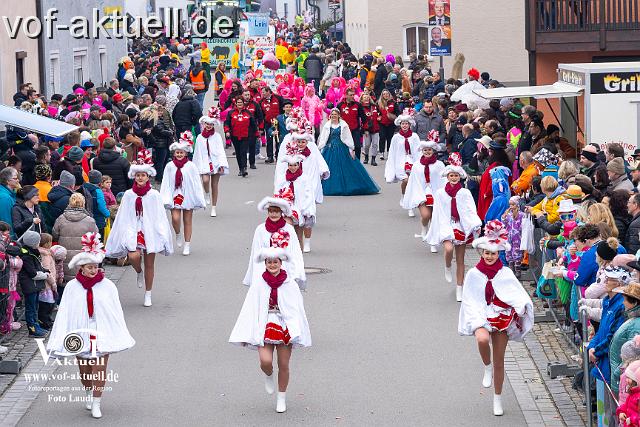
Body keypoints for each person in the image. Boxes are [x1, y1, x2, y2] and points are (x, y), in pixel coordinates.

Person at [47, 232, 135, 419]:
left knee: (99, 368)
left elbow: (115, 311)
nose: (94, 270)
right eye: (90, 267)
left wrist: (116, 331)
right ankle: (88, 392)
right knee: (85, 370)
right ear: (81, 268)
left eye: (96, 267)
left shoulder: (108, 286)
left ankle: (97, 402)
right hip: (81, 333)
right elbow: (66, 313)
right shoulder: (72, 287)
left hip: (101, 333)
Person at [459, 220, 534, 416]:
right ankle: (486, 366)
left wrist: (521, 307)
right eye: (487, 253)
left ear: (499, 253)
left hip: (501, 316)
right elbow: (470, 299)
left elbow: (517, 293)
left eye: (493, 253)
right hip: (481, 314)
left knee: (500, 360)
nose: (490, 256)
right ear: (482, 252)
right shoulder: (474, 274)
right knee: (482, 339)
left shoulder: (505, 273)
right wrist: (476, 316)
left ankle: (497, 398)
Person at [229, 247, 311, 413]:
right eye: (269, 262)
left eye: (275, 262)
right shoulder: (259, 282)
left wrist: (296, 326)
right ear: (265, 263)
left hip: (284, 326)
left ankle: (281, 397)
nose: (272, 265)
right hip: (265, 325)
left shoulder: (290, 283)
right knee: (265, 361)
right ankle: (268, 374)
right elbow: (250, 307)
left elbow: (296, 307)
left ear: (281, 263)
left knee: (283, 363)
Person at [105, 149, 173, 307]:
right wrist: (120, 232)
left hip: (150, 230)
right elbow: (123, 215)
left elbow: (159, 216)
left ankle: (148, 293)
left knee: (150, 263)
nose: (140, 177)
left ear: (148, 176)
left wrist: (162, 233)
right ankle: (138, 271)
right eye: (138, 175)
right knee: (134, 256)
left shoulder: (154, 195)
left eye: (143, 175)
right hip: (132, 229)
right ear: (134, 176)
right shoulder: (129, 194)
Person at [426, 154, 482, 301]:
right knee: (449, 249)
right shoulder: (440, 193)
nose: (454, 178)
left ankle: (459, 287)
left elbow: (471, 210)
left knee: (461, 259)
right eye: (451, 175)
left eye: (456, 175)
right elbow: (438, 212)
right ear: (447, 176)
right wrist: (437, 228)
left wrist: (475, 223)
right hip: (446, 224)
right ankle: (447, 266)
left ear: (460, 177)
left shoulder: (465, 192)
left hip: (460, 225)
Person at [243, 194, 306, 288]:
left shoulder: (288, 229)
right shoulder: (260, 229)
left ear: (281, 213)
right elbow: (256, 252)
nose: (273, 214)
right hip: (266, 268)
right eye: (271, 211)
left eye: (276, 212)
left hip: (285, 269)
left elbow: (294, 251)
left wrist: (297, 271)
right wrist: (257, 274)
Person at [160, 131, 206, 256]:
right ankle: (177, 233)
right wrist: (164, 197)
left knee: (187, 220)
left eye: (182, 152)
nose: (179, 154)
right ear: (174, 153)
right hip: (175, 195)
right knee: (175, 218)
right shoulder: (169, 166)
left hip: (188, 196)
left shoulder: (191, 166)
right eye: (177, 152)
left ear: (186, 153)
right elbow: (166, 183)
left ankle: (187, 244)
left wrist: (199, 197)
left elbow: (196, 183)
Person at [317, 109, 380, 197]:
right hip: (330, 149)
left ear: (339, 115)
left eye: (335, 114)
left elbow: (348, 138)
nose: (334, 116)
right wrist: (320, 149)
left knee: (346, 168)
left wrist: (351, 149)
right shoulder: (327, 126)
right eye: (332, 114)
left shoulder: (344, 125)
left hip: (342, 148)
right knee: (329, 169)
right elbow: (323, 138)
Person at [402, 137, 445, 250]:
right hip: (422, 193)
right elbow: (414, 181)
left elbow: (443, 180)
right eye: (425, 150)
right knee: (426, 215)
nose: (427, 152)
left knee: (435, 218)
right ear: (422, 151)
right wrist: (416, 194)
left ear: (433, 151)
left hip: (436, 193)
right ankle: (424, 226)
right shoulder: (417, 165)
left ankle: (433, 243)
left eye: (429, 150)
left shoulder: (439, 164)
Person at [193, 107, 229, 217]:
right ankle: (206, 193)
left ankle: (214, 207)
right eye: (207, 124)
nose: (209, 126)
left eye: (211, 124)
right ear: (204, 124)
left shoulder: (217, 137)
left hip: (216, 163)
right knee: (205, 180)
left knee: (215, 184)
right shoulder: (199, 137)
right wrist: (195, 166)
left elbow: (220, 151)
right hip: (204, 163)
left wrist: (222, 164)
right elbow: (197, 153)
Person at [384, 109, 420, 217]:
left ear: (409, 125)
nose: (405, 125)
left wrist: (419, 163)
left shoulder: (414, 136)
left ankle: (410, 206)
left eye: (406, 124)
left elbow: (418, 151)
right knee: (406, 181)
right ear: (400, 125)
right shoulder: (396, 137)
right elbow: (392, 152)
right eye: (403, 123)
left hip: (412, 161)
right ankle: (404, 195)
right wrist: (391, 167)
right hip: (400, 163)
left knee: (411, 182)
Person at [274, 155, 315, 247]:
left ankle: (299, 253)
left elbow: (309, 195)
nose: (293, 168)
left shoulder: (304, 178)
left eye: (295, 165)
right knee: (285, 229)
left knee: (298, 236)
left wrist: (305, 209)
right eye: (290, 165)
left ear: (299, 165)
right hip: (287, 209)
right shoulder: (282, 178)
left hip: (300, 209)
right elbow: (277, 191)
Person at [18, 230, 50, 337]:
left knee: (35, 306)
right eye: (38, 241)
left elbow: (38, 267)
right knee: (31, 308)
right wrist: (45, 275)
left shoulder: (33, 253)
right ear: (33, 243)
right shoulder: (27, 256)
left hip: (34, 286)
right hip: (30, 285)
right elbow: (33, 273)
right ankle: (32, 328)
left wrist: (45, 270)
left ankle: (36, 326)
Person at [225, 97, 258, 177]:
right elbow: (226, 123)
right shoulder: (231, 113)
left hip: (246, 136)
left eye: (241, 102)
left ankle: (244, 169)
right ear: (235, 103)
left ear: (243, 103)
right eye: (238, 102)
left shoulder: (248, 113)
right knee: (238, 153)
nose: (240, 104)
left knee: (243, 152)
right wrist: (227, 131)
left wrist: (257, 133)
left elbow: (253, 124)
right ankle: (240, 168)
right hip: (235, 136)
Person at [37, 233, 56, 330]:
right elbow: (47, 270)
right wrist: (53, 282)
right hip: (47, 284)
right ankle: (45, 322)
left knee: (48, 304)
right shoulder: (45, 255)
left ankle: (46, 320)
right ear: (46, 243)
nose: (51, 243)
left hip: (47, 284)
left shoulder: (47, 253)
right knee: (47, 305)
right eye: (50, 241)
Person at [360, 93, 380, 166]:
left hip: (375, 128)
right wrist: (364, 129)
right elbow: (360, 120)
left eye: (367, 97)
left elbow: (379, 113)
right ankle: (366, 157)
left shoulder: (374, 106)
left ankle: (373, 159)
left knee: (375, 144)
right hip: (366, 129)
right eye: (364, 97)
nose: (366, 99)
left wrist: (379, 117)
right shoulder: (361, 107)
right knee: (367, 145)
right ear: (362, 99)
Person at [377, 89, 398, 160]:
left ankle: (389, 152)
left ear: (389, 95)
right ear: (382, 95)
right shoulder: (379, 103)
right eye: (384, 94)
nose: (385, 95)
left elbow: (397, 112)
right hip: (382, 123)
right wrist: (378, 116)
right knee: (382, 137)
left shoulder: (394, 103)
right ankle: (381, 152)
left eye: (387, 94)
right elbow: (376, 112)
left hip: (391, 123)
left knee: (390, 138)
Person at [0, 167, 18, 235]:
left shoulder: (8, 194)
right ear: (8, 181)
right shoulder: (5, 198)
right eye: (15, 178)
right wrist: (11, 239)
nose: (18, 180)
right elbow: (6, 221)